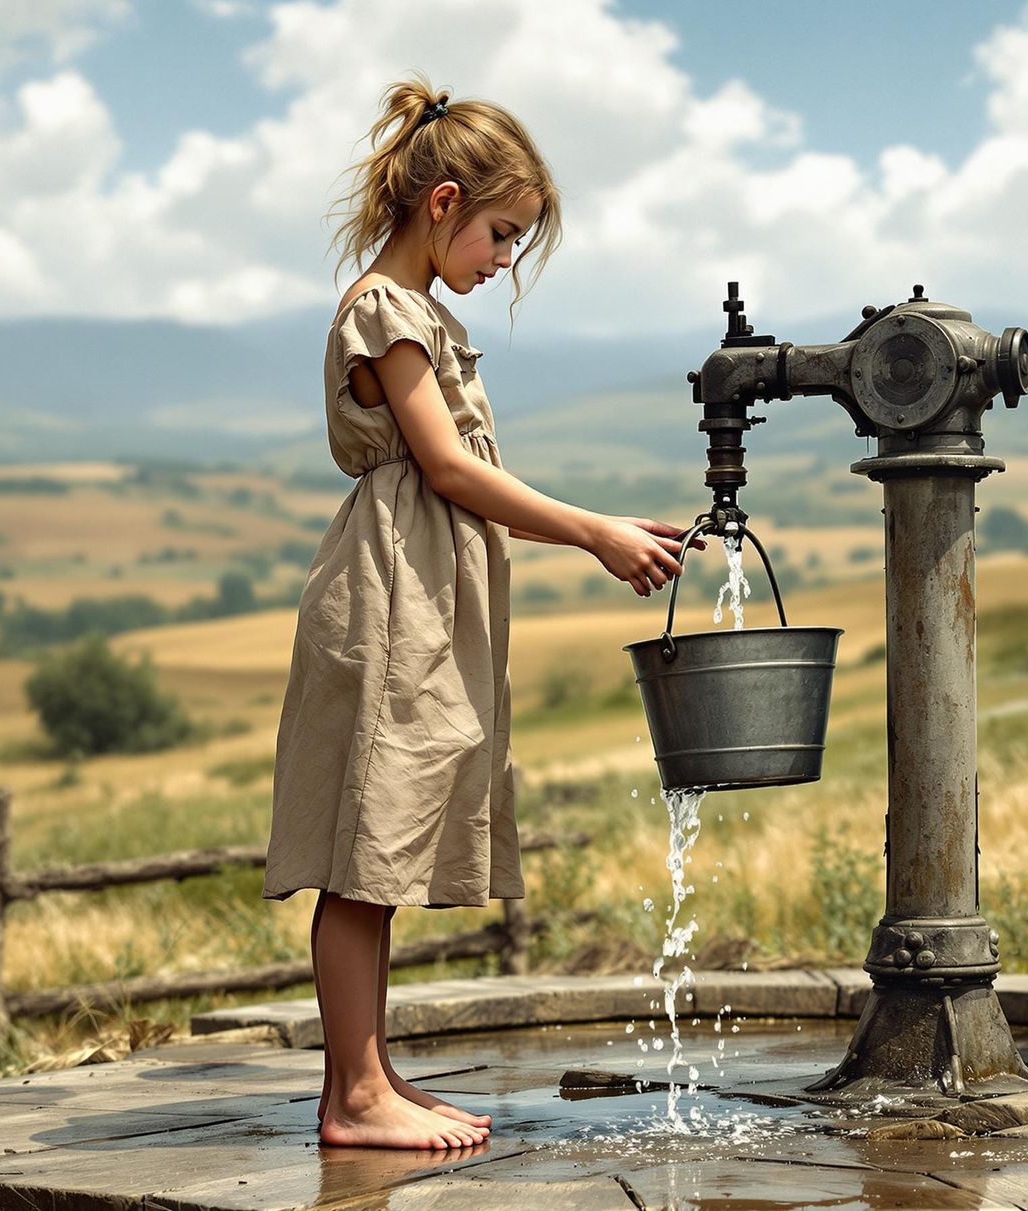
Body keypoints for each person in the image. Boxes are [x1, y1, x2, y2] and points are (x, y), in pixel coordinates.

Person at [262, 74, 690, 1151]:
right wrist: (592, 529)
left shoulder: (425, 314)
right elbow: (447, 469)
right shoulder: (384, 309)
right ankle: (352, 1096)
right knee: (367, 843)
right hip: (391, 597)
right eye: (501, 233)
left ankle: (372, 1077)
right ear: (442, 203)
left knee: (388, 843)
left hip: (429, 597)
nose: (503, 260)